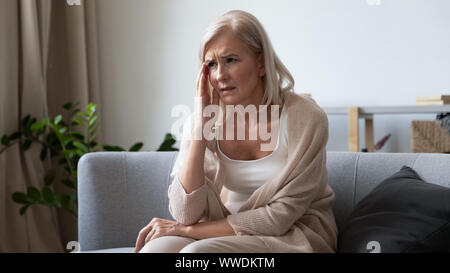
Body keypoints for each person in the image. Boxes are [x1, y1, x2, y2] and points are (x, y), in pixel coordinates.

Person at [135, 9, 338, 253]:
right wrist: (200, 126)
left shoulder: (306, 119)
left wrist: (187, 232)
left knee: (195, 254)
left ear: (261, 63)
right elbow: (185, 213)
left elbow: (279, 218)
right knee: (155, 250)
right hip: (225, 231)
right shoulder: (204, 120)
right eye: (211, 64)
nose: (220, 75)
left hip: (293, 235)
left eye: (231, 60)